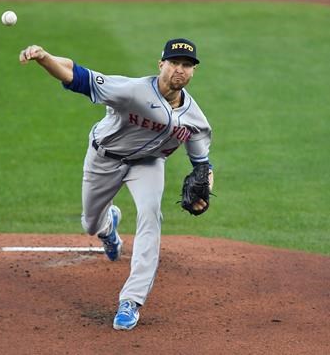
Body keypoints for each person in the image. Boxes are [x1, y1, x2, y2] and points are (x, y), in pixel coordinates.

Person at [19, 38, 213, 330]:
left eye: (187, 65)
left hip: (148, 163)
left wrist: (205, 194)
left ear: (193, 71)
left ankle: (131, 301)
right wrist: (45, 58)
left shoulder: (195, 120)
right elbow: (77, 76)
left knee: (151, 215)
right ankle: (108, 226)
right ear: (161, 64)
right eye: (174, 63)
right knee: (90, 224)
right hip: (104, 159)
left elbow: (203, 166)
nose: (180, 70)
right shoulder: (132, 91)